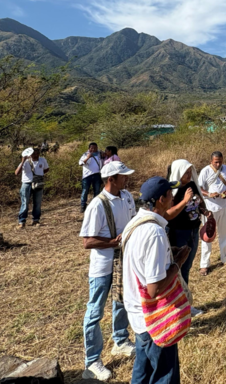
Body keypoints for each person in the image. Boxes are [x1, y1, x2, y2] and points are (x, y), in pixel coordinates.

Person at [123, 176, 190, 384]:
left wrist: (168, 256)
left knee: (142, 373)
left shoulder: (135, 223)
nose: (173, 198)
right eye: (170, 194)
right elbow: (154, 288)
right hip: (155, 319)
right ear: (161, 199)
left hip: (138, 316)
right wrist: (178, 262)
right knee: (164, 375)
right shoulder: (154, 233)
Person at [80, 161, 138, 381]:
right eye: (123, 176)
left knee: (121, 301)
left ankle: (120, 341)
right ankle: (92, 362)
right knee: (95, 311)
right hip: (102, 266)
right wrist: (114, 241)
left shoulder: (127, 197)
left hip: (124, 262)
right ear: (111, 179)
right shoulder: (97, 205)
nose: (126, 178)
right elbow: (88, 241)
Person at [165, 160, 213, 316]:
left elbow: (198, 202)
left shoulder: (192, 186)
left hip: (193, 230)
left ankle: (184, 303)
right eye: (185, 172)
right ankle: (178, 306)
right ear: (178, 172)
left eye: (190, 172)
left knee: (186, 267)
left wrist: (204, 210)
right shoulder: (171, 189)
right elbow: (167, 213)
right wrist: (185, 200)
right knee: (176, 269)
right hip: (178, 232)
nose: (188, 175)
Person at [197, 151, 226, 275]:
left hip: (224, 207)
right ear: (211, 161)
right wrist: (209, 194)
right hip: (210, 209)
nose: (218, 164)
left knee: (224, 233)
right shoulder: (205, 171)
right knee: (207, 236)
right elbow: (198, 189)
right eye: (216, 162)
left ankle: (225, 258)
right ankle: (204, 265)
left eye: (220, 161)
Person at [14, 147, 49, 229]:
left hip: (38, 183)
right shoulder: (26, 161)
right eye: (34, 153)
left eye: (37, 153)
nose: (36, 155)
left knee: (37, 203)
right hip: (26, 183)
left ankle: (36, 220)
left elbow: (46, 169)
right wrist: (22, 162)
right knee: (25, 203)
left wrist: (38, 176)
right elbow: (16, 173)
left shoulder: (42, 160)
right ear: (30, 154)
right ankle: (21, 221)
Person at [79, 142, 104, 213]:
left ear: (97, 148)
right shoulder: (85, 154)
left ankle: (95, 205)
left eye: (95, 148)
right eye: (91, 148)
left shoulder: (99, 154)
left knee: (97, 191)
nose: (93, 149)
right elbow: (80, 163)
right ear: (89, 148)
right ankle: (83, 205)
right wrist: (87, 157)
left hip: (97, 175)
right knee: (85, 191)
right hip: (87, 176)